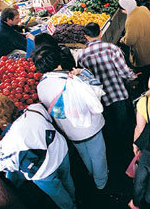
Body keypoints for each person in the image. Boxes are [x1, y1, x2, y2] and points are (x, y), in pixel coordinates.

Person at [0, 94, 76, 209]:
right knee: (66, 177)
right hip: (60, 150)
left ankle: (71, 207)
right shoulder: (35, 109)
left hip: (43, 172)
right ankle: (74, 197)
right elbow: (48, 120)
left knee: (56, 191)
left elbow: (8, 166)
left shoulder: (7, 144)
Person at [34, 46, 108, 190]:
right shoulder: (72, 81)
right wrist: (83, 72)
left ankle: (92, 173)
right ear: (57, 60)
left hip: (70, 130)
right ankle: (101, 182)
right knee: (98, 155)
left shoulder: (41, 86)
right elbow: (97, 91)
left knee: (84, 153)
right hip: (90, 126)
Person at [77, 22, 137, 137]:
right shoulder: (112, 48)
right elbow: (124, 72)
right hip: (118, 94)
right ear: (100, 32)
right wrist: (133, 76)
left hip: (100, 99)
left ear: (86, 36)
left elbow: (84, 79)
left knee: (110, 128)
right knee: (124, 126)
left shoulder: (81, 56)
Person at [119, 0, 150, 87]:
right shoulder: (144, 9)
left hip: (143, 53)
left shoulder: (130, 20)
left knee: (147, 75)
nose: (122, 12)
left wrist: (123, 40)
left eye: (122, 10)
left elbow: (130, 40)